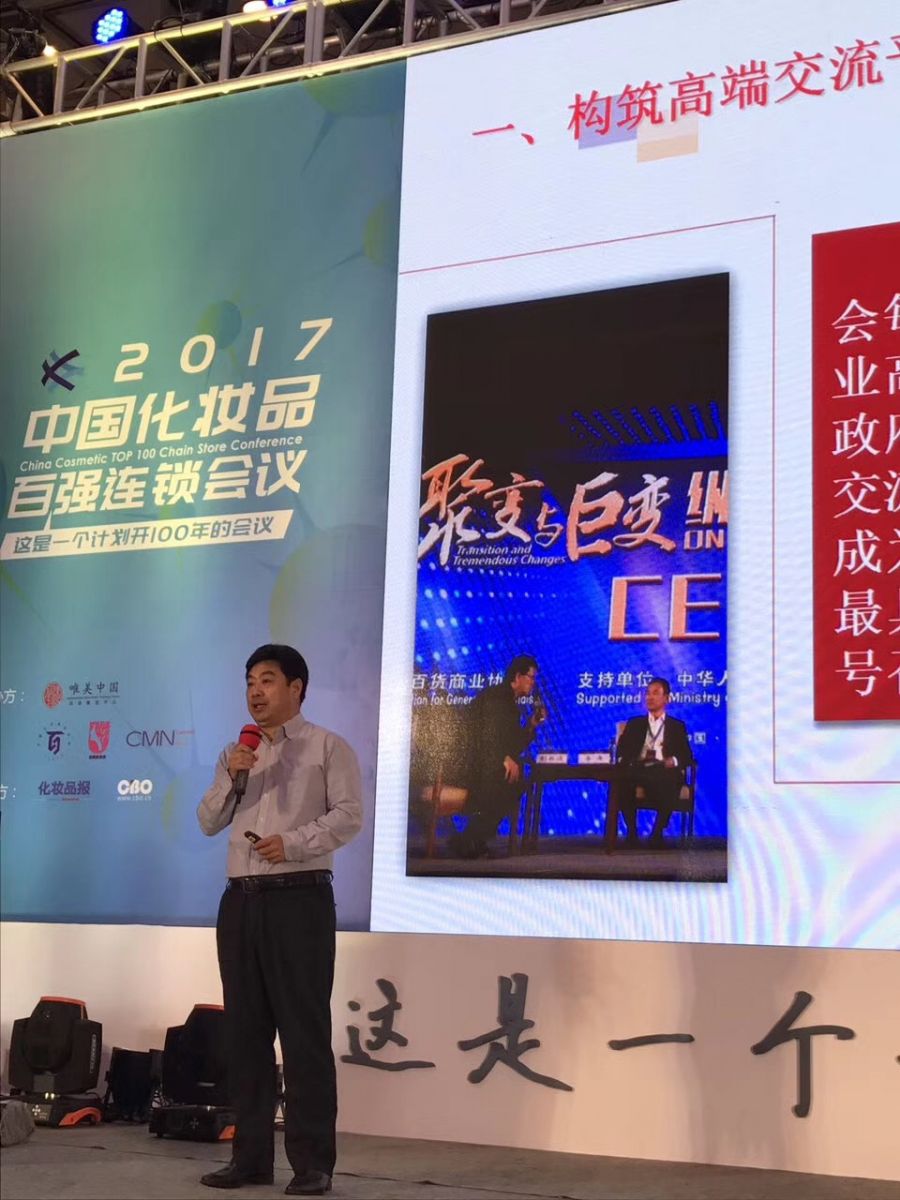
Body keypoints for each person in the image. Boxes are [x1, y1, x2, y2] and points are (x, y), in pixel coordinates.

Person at [197, 644, 362, 1196]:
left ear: (296, 687)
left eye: (267, 680)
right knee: (244, 1035)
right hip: (240, 902)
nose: (255, 691)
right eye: (250, 681)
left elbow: (349, 816)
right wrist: (232, 777)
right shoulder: (235, 753)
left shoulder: (327, 747)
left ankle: (313, 1164)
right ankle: (249, 1159)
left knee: (302, 1033)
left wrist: (292, 843)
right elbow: (207, 821)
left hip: (299, 900)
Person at [451, 655, 545, 858]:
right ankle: (470, 839)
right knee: (508, 782)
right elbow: (484, 736)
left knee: (517, 778)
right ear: (518, 676)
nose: (533, 683)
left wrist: (531, 725)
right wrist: (503, 757)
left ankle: (473, 839)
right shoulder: (497, 698)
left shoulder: (511, 704)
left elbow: (512, 746)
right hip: (468, 765)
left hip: (486, 764)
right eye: (531, 677)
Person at [614, 676, 693, 846]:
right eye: (648, 693)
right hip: (639, 768)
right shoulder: (634, 723)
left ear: (666, 698)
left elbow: (686, 755)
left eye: (655, 693)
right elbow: (621, 750)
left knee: (672, 780)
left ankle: (657, 832)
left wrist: (673, 760)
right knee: (621, 781)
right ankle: (632, 832)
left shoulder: (677, 726)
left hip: (663, 769)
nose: (650, 697)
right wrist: (628, 760)